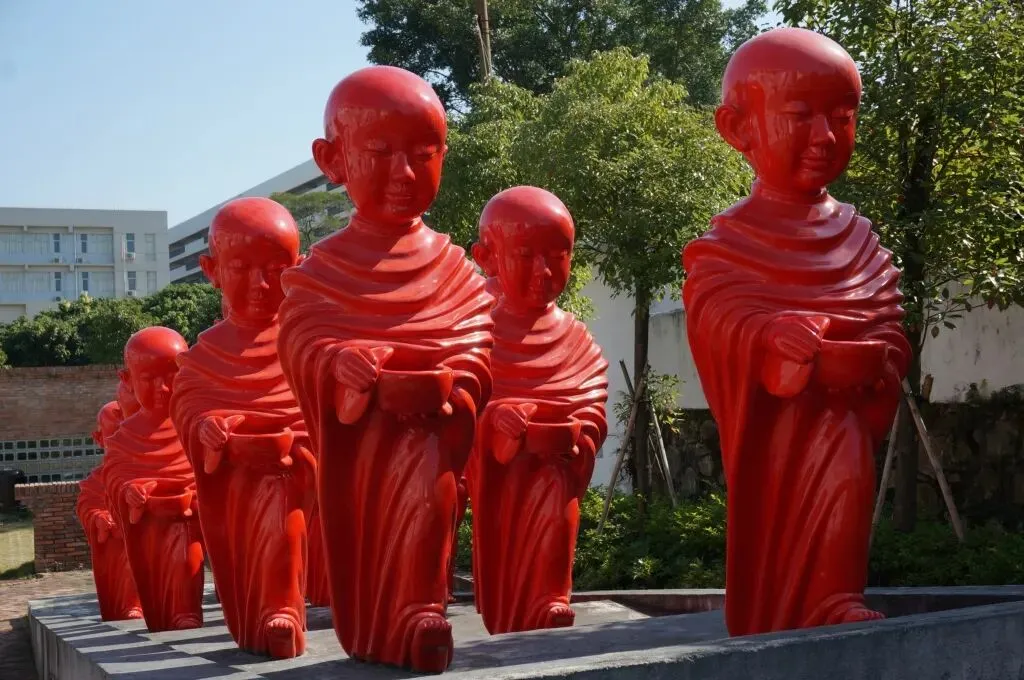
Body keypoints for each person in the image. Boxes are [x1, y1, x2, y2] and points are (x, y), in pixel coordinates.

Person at [682, 27, 911, 636]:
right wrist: (767, 337)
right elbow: (715, 316)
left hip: (843, 423)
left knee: (845, 478)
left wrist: (878, 359)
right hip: (776, 438)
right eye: (801, 116)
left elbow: (889, 326)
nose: (825, 137)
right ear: (738, 128)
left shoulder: (861, 242)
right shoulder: (728, 245)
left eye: (843, 117)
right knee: (776, 529)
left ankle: (835, 595)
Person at [277, 65, 493, 673]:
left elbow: (478, 347)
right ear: (333, 159)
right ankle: (381, 622)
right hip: (362, 457)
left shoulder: (456, 271)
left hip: (432, 436)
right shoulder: (321, 275)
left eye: (423, 155)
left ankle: (420, 613)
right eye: (379, 153)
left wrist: (453, 381)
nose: (404, 173)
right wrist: (338, 365)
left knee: (429, 500)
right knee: (371, 535)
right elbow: (300, 341)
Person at [171, 197, 318, 658]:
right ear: (211, 270)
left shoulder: (307, 346)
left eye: (275, 269)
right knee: (250, 540)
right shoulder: (202, 360)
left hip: (294, 478)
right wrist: (209, 431)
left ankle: (283, 610)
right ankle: (262, 614)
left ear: (297, 267)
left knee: (281, 513)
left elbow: (330, 414)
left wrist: (298, 442)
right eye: (241, 268)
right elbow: (188, 412)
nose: (260, 284)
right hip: (234, 491)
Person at [467, 186, 608, 634]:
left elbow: (593, 402)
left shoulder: (576, 339)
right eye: (525, 256)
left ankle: (551, 596)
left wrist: (579, 429)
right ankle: (511, 606)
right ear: (487, 258)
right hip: (503, 484)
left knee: (555, 499)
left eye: (557, 256)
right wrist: (494, 422)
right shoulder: (474, 334)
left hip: (556, 473)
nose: (543, 271)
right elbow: (456, 403)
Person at [102, 326, 204, 632]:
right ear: (127, 379)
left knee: (186, 556)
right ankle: (161, 610)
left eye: (172, 376)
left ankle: (186, 610)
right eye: (148, 379)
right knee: (153, 567)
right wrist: (129, 492)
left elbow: (218, 474)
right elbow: (115, 478)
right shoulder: (124, 437)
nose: (162, 388)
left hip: (189, 522)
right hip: (148, 525)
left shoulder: (195, 425)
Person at [77, 374, 143, 621]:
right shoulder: (97, 479)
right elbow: (87, 505)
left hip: (151, 533)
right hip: (119, 539)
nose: (119, 441)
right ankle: (130, 603)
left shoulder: (144, 467)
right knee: (125, 549)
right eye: (112, 435)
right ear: (99, 439)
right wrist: (99, 518)